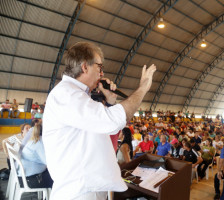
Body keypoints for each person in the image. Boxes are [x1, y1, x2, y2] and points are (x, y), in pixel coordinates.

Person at [43, 42, 156, 199]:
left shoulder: (78, 96)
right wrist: (143, 88)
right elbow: (113, 122)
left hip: (88, 188)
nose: (102, 74)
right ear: (85, 67)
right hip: (80, 191)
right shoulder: (68, 95)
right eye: (99, 67)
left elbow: (104, 134)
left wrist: (109, 101)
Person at [19, 124, 53, 188]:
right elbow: (48, 162)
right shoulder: (39, 142)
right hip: (30, 180)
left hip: (24, 176)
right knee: (57, 178)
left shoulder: (34, 139)